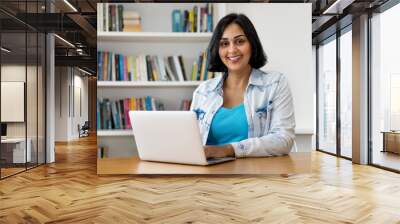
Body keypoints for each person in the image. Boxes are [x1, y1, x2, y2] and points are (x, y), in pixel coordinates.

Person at [190, 13, 296, 159]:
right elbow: (190, 141)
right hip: (206, 174)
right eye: (224, 43)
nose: (232, 50)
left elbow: (284, 140)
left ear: (252, 44)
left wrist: (229, 149)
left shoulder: (275, 83)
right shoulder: (203, 92)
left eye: (240, 41)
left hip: (255, 175)